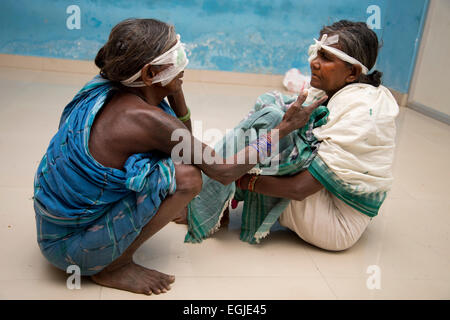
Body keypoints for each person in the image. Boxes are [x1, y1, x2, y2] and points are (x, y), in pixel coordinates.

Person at [33, 18, 326, 295]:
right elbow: (222, 171)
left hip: (55, 224)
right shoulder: (145, 120)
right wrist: (284, 127)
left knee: (182, 165)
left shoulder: (114, 84)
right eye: (178, 58)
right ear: (149, 73)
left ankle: (112, 249)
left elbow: (181, 142)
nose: (185, 63)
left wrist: (174, 84)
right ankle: (114, 265)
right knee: (187, 178)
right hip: (72, 249)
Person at [185, 20, 399, 252]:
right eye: (316, 53)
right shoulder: (340, 92)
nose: (313, 62)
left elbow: (300, 189)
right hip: (332, 204)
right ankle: (215, 186)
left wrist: (239, 179)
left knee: (267, 126)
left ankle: (209, 197)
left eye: (326, 58)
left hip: (336, 225)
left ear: (352, 72)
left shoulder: (360, 111)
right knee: (272, 121)